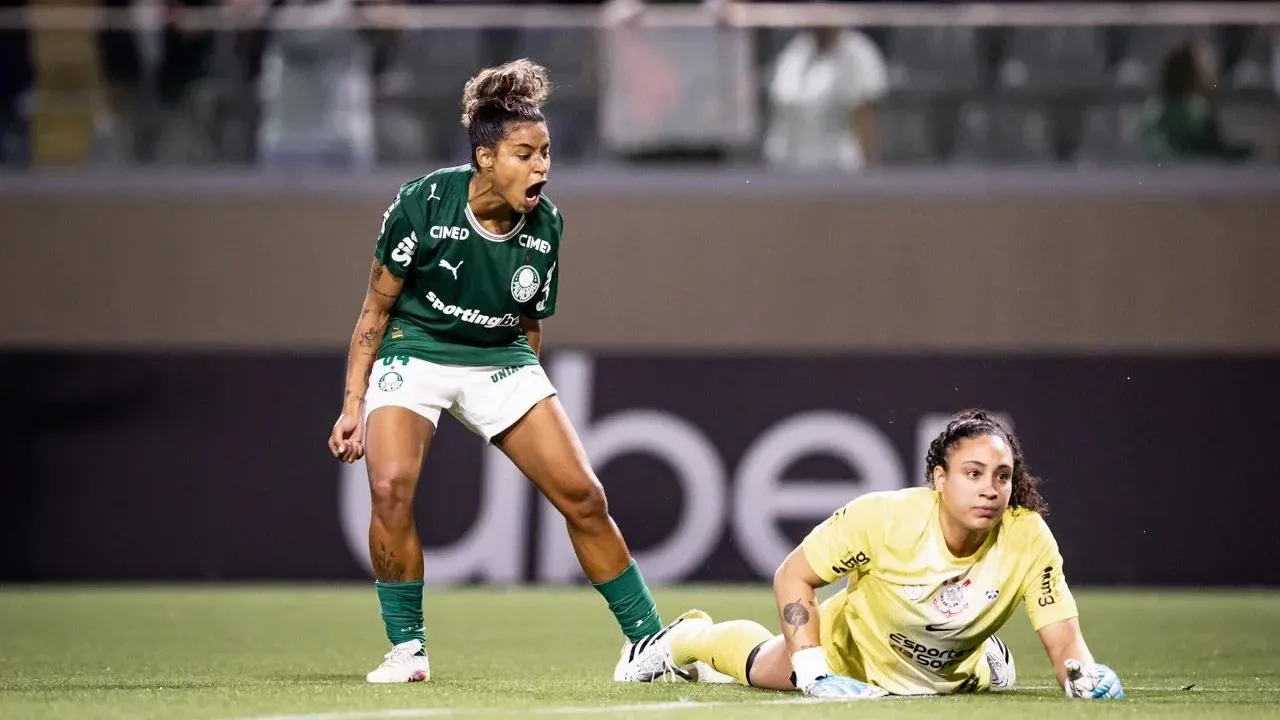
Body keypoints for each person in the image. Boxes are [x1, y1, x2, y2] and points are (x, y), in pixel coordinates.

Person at [327, 59, 665, 684]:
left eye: (546, 153)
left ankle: (647, 644)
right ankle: (408, 650)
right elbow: (374, 310)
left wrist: (510, 411)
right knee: (389, 488)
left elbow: (531, 325)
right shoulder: (421, 203)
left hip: (499, 357)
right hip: (413, 348)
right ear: (486, 157)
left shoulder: (547, 226)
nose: (542, 166)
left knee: (585, 496)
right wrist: (354, 405)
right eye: (524, 153)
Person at [627, 409, 1125, 700]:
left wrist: (1085, 676)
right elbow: (792, 576)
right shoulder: (882, 519)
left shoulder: (1028, 537)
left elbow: (1065, 646)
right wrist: (813, 669)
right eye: (972, 474)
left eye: (1001, 476)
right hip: (849, 651)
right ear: (939, 479)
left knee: (980, 677)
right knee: (758, 666)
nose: (990, 489)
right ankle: (686, 637)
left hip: (951, 672)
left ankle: (984, 657)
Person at [763, 23, 887, 173]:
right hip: (788, 169)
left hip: (840, 173)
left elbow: (866, 122)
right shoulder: (795, 52)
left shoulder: (860, 54)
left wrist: (872, 177)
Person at [1139, 39, 1256, 164]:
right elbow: (1216, 152)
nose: (1216, 75)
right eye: (1210, 68)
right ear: (1193, 73)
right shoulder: (1197, 110)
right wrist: (1254, 148)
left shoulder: (1153, 106)